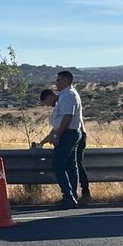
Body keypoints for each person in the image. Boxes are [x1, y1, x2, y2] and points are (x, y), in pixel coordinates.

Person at [40, 70, 84, 208]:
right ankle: (71, 195)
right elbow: (60, 121)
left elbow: (67, 117)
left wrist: (58, 135)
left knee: (58, 164)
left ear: (66, 80)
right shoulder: (65, 95)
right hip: (70, 133)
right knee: (71, 165)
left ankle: (68, 196)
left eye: (58, 80)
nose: (56, 82)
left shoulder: (69, 95)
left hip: (68, 134)